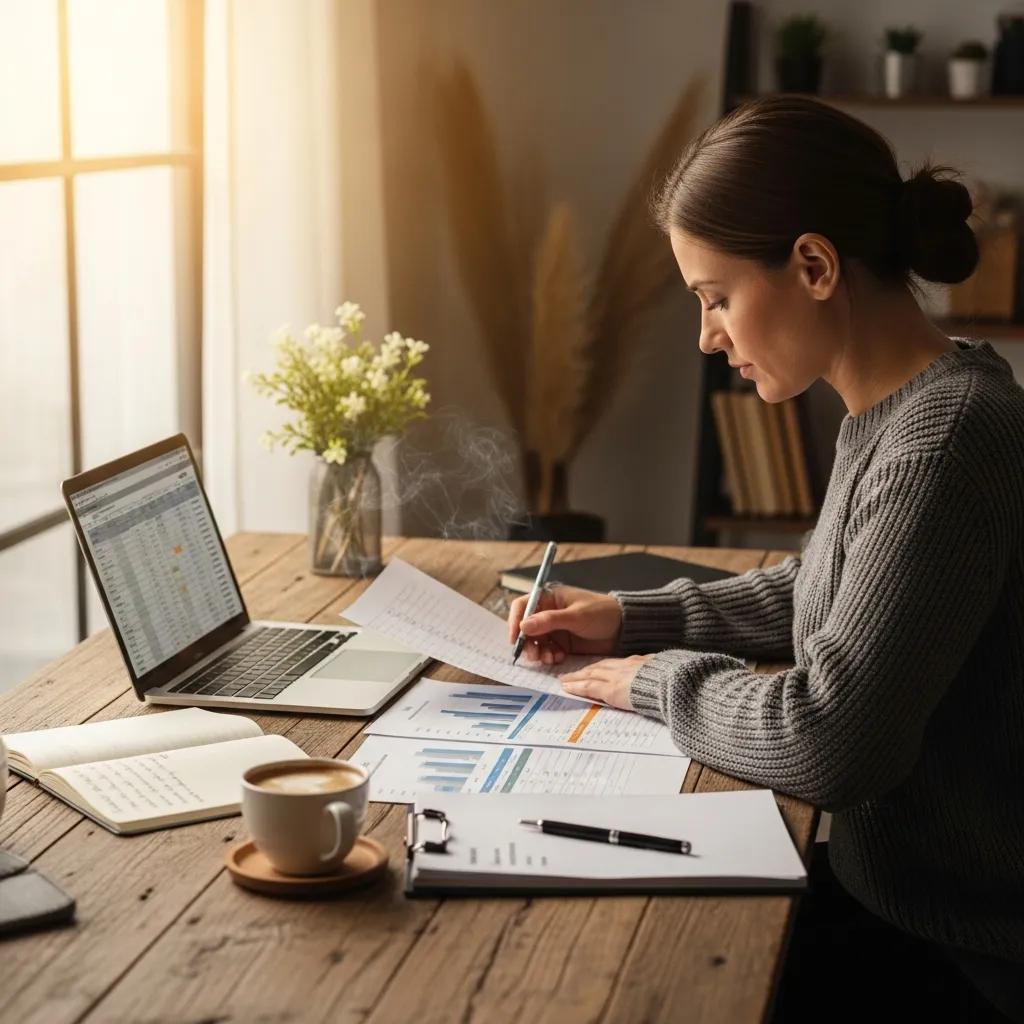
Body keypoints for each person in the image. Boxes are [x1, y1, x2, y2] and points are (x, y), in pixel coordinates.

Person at [507, 96, 1024, 1023]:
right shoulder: (905, 412)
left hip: (960, 948)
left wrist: (652, 681)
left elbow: (829, 740)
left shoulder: (947, 442)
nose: (708, 337)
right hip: (891, 899)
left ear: (815, 265)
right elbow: (828, 590)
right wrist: (629, 617)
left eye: (716, 299)